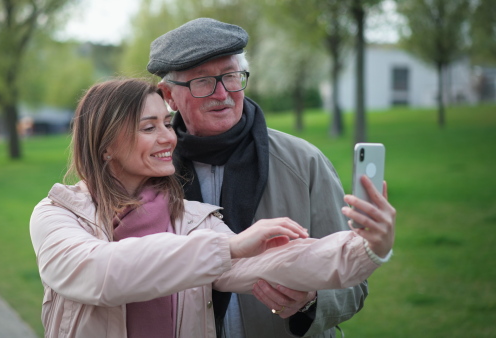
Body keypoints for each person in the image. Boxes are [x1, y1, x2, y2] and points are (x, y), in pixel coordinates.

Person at [29, 78, 395, 337]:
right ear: (106, 145)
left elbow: (275, 262)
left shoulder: (191, 218)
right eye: (149, 127)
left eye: (166, 123)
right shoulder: (57, 214)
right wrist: (229, 246)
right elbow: (98, 272)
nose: (168, 137)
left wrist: (366, 247)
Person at [148, 18, 397, 338]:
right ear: (169, 95)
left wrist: (311, 299)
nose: (222, 93)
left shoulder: (303, 161)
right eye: (203, 81)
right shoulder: (148, 171)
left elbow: (354, 284)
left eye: (231, 76)